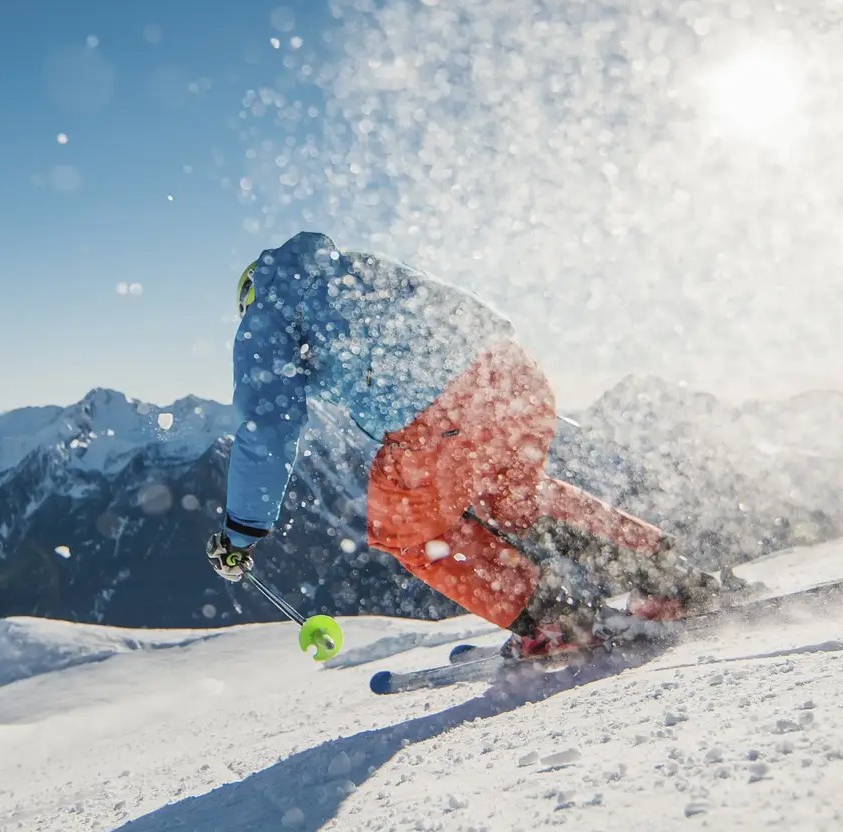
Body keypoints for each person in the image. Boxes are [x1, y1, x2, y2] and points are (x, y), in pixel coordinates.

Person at [205, 231, 735, 659]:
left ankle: (552, 619)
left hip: (444, 410)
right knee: (515, 495)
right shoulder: (348, 268)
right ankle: (669, 576)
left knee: (404, 526)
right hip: (513, 374)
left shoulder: (266, 313)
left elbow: (267, 428)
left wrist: (242, 532)